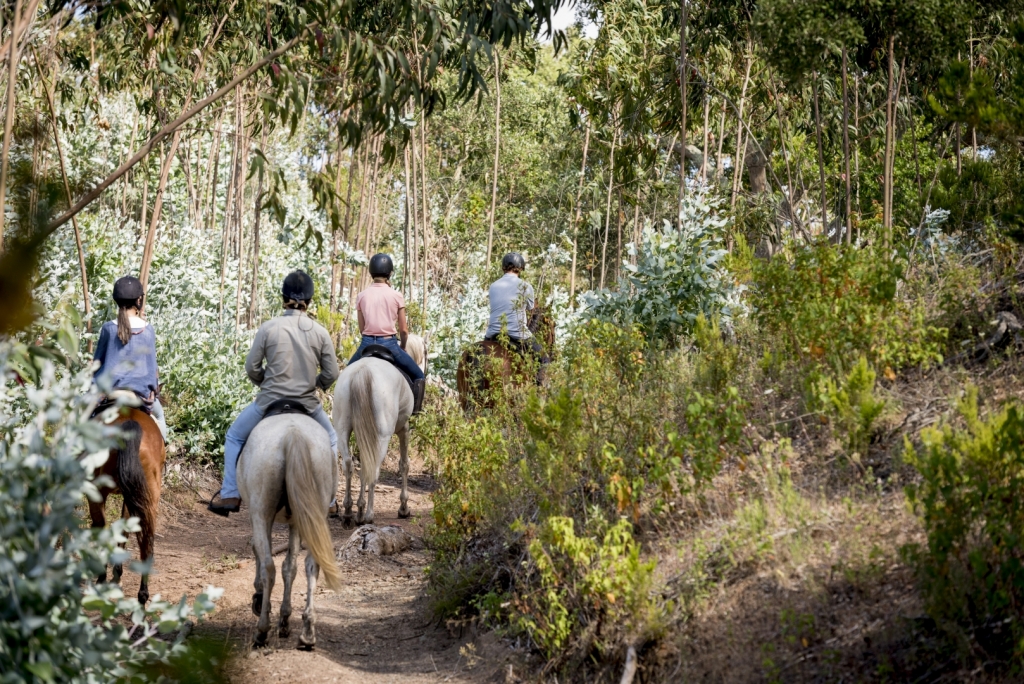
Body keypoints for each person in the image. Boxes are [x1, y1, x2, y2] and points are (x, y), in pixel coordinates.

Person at [208, 271, 339, 516]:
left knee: (234, 436)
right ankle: (330, 500)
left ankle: (230, 493)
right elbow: (332, 373)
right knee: (331, 438)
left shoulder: (268, 328)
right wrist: (316, 383)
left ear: (283, 298)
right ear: (309, 301)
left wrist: (266, 382)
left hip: (269, 401)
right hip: (307, 404)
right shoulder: (320, 332)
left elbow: (251, 367)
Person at [347, 253, 426, 414]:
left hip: (367, 344)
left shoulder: (362, 296)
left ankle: (346, 413)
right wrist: (402, 347)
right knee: (419, 376)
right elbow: (404, 331)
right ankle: (416, 414)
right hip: (389, 344)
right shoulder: (396, 296)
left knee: (346, 376)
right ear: (389, 273)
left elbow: (362, 329)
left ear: (370, 273)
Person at [93, 276, 168, 442]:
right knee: (160, 416)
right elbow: (152, 369)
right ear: (138, 300)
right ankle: (163, 451)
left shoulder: (108, 328)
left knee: (81, 415)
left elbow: (97, 366)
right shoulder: (148, 330)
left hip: (111, 393)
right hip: (139, 397)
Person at [485, 252, 550, 382]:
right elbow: (531, 308)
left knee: (482, 353)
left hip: (492, 333)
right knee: (544, 358)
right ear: (520, 268)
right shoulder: (526, 286)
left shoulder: (493, 286)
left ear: (504, 267)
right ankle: (538, 388)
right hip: (517, 333)